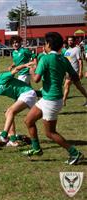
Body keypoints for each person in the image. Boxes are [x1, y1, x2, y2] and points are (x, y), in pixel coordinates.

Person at [23, 32, 87, 165]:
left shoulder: (45, 59)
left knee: (50, 133)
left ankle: (75, 153)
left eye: (44, 43)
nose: (43, 46)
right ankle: (36, 149)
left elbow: (36, 79)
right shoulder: (63, 59)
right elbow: (74, 76)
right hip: (50, 98)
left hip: (50, 101)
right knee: (28, 120)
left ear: (48, 45)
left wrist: (32, 70)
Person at [63, 36, 84, 106]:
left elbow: (80, 61)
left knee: (66, 85)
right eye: (69, 40)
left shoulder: (77, 49)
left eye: (71, 40)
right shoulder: (67, 50)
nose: (70, 42)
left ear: (74, 41)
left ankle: (63, 101)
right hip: (67, 72)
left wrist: (80, 72)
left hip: (73, 71)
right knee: (79, 87)